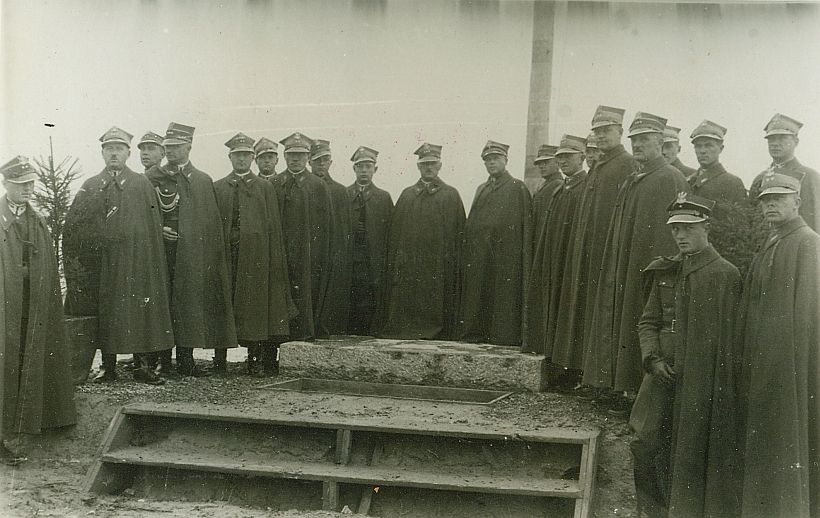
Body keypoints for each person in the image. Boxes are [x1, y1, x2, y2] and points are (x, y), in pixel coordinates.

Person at [629, 192, 741, 518]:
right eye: (675, 229)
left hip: (701, 381)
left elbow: (730, 340)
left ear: (706, 227)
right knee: (645, 442)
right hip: (661, 375)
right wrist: (653, 359)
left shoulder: (725, 274)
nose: (680, 236)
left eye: (688, 228)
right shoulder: (666, 270)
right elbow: (648, 322)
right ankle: (652, 512)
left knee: (691, 451)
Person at [583, 112, 689, 409]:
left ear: (659, 142)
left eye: (645, 139)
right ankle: (620, 388)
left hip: (650, 270)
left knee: (646, 323)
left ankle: (637, 395)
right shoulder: (634, 178)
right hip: (625, 265)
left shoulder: (670, 177)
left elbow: (673, 231)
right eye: (635, 140)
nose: (639, 145)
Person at [737, 173, 820, 518]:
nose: (770, 205)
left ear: (797, 202)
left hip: (788, 364)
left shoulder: (807, 242)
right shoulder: (772, 241)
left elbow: (807, 312)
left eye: (778, 199)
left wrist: (790, 363)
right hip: (762, 361)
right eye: (765, 200)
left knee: (787, 436)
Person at [63, 127, 172, 385]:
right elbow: (75, 228)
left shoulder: (141, 184)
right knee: (105, 311)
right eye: (109, 149)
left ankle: (142, 366)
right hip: (101, 265)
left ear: (128, 153)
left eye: (119, 149)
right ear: (102, 153)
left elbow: (152, 227)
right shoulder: (90, 186)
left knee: (139, 309)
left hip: (135, 263)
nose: (114, 153)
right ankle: (107, 366)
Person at [0, 156, 76, 465]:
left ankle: (24, 429)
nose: (28, 189)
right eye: (21, 184)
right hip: (4, 307)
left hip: (29, 307)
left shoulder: (37, 220)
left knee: (25, 359)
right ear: (6, 183)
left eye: (30, 183)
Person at [553, 106, 635, 392]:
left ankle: (605, 383)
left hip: (606, 253)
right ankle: (587, 377)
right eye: (597, 131)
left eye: (606, 130)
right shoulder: (599, 166)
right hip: (588, 254)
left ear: (620, 132)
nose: (601, 136)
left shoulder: (627, 164)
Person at [146, 122, 237, 377]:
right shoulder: (152, 177)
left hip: (192, 254)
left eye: (176, 146)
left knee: (189, 302)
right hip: (161, 251)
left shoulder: (202, 180)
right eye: (168, 147)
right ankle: (162, 360)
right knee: (162, 300)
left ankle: (186, 359)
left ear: (188, 147)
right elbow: (144, 213)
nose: (170, 151)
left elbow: (209, 223)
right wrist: (159, 229)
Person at [213, 133, 293, 376]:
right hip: (227, 255)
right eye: (237, 155)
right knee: (223, 301)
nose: (241, 159)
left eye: (246, 155)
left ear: (252, 158)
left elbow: (273, 227)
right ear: (230, 157)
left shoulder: (264, 188)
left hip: (255, 256)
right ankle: (219, 361)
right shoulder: (219, 187)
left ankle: (254, 358)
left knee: (255, 305)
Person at [380, 143, 465, 340]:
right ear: (418, 166)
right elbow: (396, 234)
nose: (429, 168)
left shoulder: (450, 195)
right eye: (425, 164)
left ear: (440, 165)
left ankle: (436, 331)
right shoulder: (408, 195)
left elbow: (458, 234)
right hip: (410, 264)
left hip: (438, 264)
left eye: (433, 163)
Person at [523, 135, 588, 376]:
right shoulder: (560, 189)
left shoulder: (585, 187)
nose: (563, 161)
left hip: (571, 262)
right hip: (555, 259)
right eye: (560, 157)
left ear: (582, 157)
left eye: (568, 156)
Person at [460, 141, 532, 346]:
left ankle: (504, 336)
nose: (491, 163)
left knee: (504, 296)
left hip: (506, 255)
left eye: (496, 159)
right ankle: (476, 334)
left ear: (506, 160)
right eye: (488, 160)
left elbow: (525, 226)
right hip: (481, 254)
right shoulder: (482, 189)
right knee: (479, 293)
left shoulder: (517, 187)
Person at [271, 132, 332, 341]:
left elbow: (325, 227)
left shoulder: (318, 186)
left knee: (307, 293)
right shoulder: (274, 183)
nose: (295, 159)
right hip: (280, 251)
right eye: (291, 154)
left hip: (308, 254)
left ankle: (305, 337)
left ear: (307, 157)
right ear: (284, 156)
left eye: (300, 155)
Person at [347, 146, 393, 335]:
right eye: (360, 167)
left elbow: (390, 231)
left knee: (371, 299)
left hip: (373, 261)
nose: (364, 171)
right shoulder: (345, 194)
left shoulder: (383, 197)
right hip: (350, 259)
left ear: (375, 169)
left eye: (368, 166)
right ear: (354, 169)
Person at [748, 113, 820, 231]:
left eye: (782, 138)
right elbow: (750, 221)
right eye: (771, 139)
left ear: (796, 141)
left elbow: (814, 222)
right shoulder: (760, 178)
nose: (775, 143)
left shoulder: (810, 177)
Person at [309, 139, 351, 336]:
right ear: (309, 161)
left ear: (331, 162)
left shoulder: (339, 191)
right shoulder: (305, 186)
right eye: (317, 160)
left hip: (331, 253)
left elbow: (344, 228)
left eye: (325, 160)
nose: (321, 164)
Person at [687, 120, 746, 204]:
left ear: (721, 148)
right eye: (698, 146)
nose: (702, 151)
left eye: (708, 145)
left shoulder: (732, 183)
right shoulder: (689, 181)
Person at [530, 144, 562, 248]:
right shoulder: (544, 185)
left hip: (548, 240)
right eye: (539, 163)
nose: (541, 166)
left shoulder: (558, 185)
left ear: (557, 163)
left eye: (546, 162)